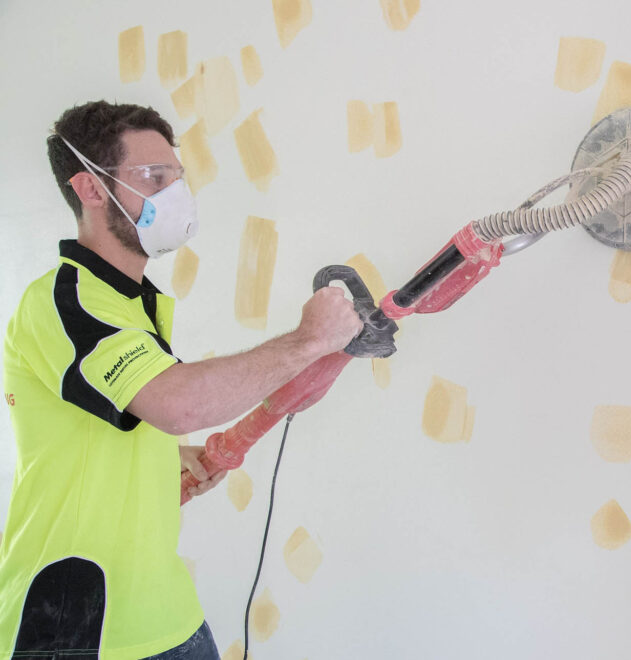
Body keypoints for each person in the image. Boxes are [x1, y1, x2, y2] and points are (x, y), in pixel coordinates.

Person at [0, 100, 363, 659]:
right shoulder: (64, 300)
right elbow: (178, 405)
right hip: (77, 626)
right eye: (155, 177)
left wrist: (162, 460)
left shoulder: (131, 305)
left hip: (164, 614)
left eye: (177, 176)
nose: (175, 194)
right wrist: (307, 340)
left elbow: (130, 419)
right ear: (90, 189)